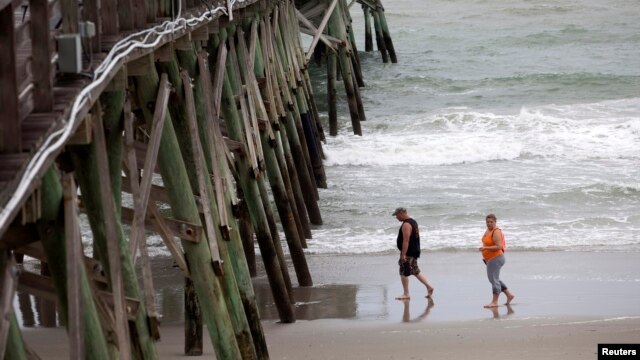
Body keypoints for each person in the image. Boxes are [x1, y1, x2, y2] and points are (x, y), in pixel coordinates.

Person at [392, 207, 434, 300]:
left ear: (401, 213)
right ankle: (429, 287)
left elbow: (406, 241)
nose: (396, 217)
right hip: (414, 251)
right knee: (415, 271)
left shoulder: (406, 224)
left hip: (409, 252)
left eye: (397, 215)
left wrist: (403, 254)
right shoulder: (413, 222)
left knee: (403, 272)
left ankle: (406, 293)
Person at [478, 213, 515, 308]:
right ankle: (509, 295)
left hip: (496, 258)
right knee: (495, 279)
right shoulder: (488, 230)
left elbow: (499, 246)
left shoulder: (496, 231)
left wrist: (485, 248)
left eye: (491, 222)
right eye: (487, 222)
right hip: (490, 259)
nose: (489, 223)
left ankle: (494, 302)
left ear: (495, 222)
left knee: (493, 280)